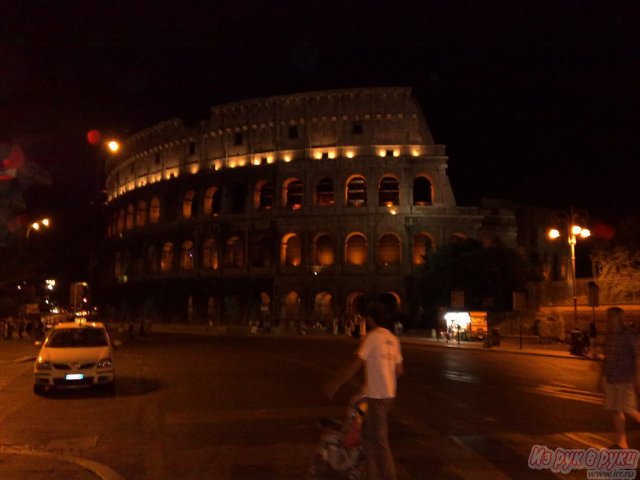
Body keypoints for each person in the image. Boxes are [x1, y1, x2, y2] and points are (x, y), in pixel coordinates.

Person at [324, 303, 404, 480]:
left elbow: (355, 363)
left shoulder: (373, 336)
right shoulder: (393, 338)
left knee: (380, 442)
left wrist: (335, 383)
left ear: (371, 319)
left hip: (377, 398)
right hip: (387, 396)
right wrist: (383, 382)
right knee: (368, 439)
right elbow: (399, 370)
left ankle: (389, 477)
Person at [601, 307, 640, 449]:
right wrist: (602, 377)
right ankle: (621, 442)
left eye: (612, 316)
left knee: (629, 409)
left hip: (625, 378)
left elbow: (637, 356)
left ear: (619, 318)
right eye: (608, 316)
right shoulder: (610, 334)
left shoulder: (629, 335)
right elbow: (606, 357)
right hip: (611, 378)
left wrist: (637, 376)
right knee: (614, 409)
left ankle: (622, 442)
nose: (609, 319)